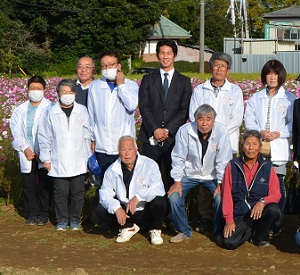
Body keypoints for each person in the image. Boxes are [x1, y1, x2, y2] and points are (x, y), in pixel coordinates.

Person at [188, 52, 244, 233]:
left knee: (227, 181)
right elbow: (192, 115)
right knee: (206, 181)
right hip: (204, 142)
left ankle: (225, 217)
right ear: (210, 67)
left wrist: (219, 134)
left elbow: (236, 118)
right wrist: (207, 133)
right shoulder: (200, 90)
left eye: (223, 66)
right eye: (216, 65)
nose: (219, 69)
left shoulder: (235, 91)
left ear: (228, 70)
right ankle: (206, 217)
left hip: (228, 142)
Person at [244, 59, 296, 236]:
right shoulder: (255, 98)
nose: (272, 77)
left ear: (281, 76)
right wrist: (260, 132)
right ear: (264, 76)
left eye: (275, 74)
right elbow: (248, 118)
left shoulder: (289, 98)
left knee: (278, 185)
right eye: (269, 73)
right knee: (258, 184)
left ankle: (276, 221)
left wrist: (278, 133)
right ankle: (258, 220)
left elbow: (292, 124)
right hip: (259, 145)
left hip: (278, 147)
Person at [168, 104, 232, 243]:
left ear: (214, 120)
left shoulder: (221, 132)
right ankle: (184, 230)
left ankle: (217, 230)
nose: (204, 123)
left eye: (208, 119)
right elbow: (178, 157)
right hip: (189, 173)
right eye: (200, 119)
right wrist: (177, 181)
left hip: (212, 175)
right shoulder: (185, 131)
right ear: (195, 120)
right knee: (173, 197)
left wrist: (221, 183)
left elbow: (224, 160)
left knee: (221, 198)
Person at [138, 39, 192, 192]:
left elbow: (184, 110)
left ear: (174, 55)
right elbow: (144, 106)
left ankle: (170, 214)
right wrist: (155, 129)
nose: (165, 56)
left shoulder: (184, 82)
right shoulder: (148, 79)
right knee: (148, 179)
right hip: (150, 137)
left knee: (172, 178)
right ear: (157, 56)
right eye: (162, 53)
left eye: (169, 53)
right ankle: (151, 213)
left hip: (173, 139)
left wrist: (167, 130)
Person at [38, 79, 92, 231]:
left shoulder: (82, 110)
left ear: (75, 94)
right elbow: (44, 137)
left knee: (77, 192)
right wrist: (46, 159)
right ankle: (62, 220)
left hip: (79, 159)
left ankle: (74, 220)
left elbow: (88, 135)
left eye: (71, 92)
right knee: (60, 192)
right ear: (58, 94)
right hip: (58, 159)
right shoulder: (50, 112)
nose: (67, 95)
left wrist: (88, 159)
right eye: (64, 92)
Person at [96, 136, 167, 244]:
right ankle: (129, 227)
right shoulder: (112, 170)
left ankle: (155, 229)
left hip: (145, 209)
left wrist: (139, 197)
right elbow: (104, 193)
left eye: (130, 149)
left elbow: (158, 188)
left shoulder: (149, 164)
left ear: (136, 149)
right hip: (126, 211)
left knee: (159, 202)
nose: (127, 153)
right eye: (123, 149)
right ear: (119, 152)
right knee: (100, 210)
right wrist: (116, 208)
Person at [220, 130, 281, 249]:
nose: (251, 148)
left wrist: (262, 201)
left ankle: (259, 237)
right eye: (248, 144)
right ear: (242, 146)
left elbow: (276, 194)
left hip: (259, 212)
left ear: (260, 147)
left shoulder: (267, 167)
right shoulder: (232, 166)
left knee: (274, 209)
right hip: (241, 214)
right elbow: (226, 194)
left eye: (254, 144)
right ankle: (249, 232)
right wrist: (229, 219)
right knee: (229, 243)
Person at [10, 76, 53, 226]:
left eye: (38, 88)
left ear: (44, 90)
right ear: (27, 90)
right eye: (32, 88)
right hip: (26, 151)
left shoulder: (51, 107)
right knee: (28, 184)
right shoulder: (20, 110)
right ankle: (31, 213)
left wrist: (44, 151)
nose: (35, 91)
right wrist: (25, 148)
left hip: (44, 151)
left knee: (44, 184)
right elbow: (16, 131)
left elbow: (53, 131)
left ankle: (43, 213)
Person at [87, 49, 138, 176]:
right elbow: (91, 115)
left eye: (111, 65)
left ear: (119, 66)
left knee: (125, 183)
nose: (107, 68)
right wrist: (92, 139)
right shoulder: (95, 86)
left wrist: (121, 86)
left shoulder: (130, 85)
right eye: (104, 66)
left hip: (123, 146)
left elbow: (131, 105)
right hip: (102, 146)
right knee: (105, 185)